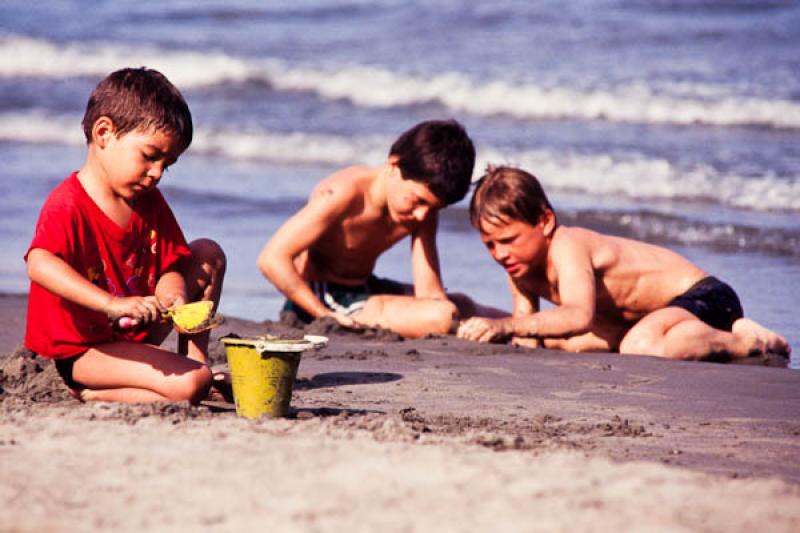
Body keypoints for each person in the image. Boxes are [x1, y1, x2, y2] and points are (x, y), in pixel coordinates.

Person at [25, 67, 226, 404]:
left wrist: (172, 295)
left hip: (135, 332)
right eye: (150, 156)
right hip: (86, 350)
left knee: (208, 253)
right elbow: (39, 264)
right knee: (192, 386)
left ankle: (194, 362)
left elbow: (171, 266)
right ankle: (90, 392)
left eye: (168, 164)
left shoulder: (148, 201)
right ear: (104, 133)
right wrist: (111, 305)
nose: (158, 173)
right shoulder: (68, 203)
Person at [457, 166, 790, 361]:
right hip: (652, 318)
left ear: (544, 221)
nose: (500, 254)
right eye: (489, 245)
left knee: (638, 346)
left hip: (704, 297)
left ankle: (747, 342)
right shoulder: (520, 269)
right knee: (565, 341)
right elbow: (527, 330)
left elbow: (577, 314)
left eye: (508, 240)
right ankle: (700, 337)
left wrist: (504, 326)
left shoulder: (568, 244)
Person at [258, 119, 501, 338]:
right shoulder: (344, 193)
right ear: (394, 166)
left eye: (434, 208)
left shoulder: (423, 210)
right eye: (419, 201)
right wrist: (323, 315)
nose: (422, 214)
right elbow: (272, 259)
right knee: (444, 316)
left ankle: (519, 327)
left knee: (461, 304)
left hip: (365, 287)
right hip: (321, 296)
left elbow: (430, 292)